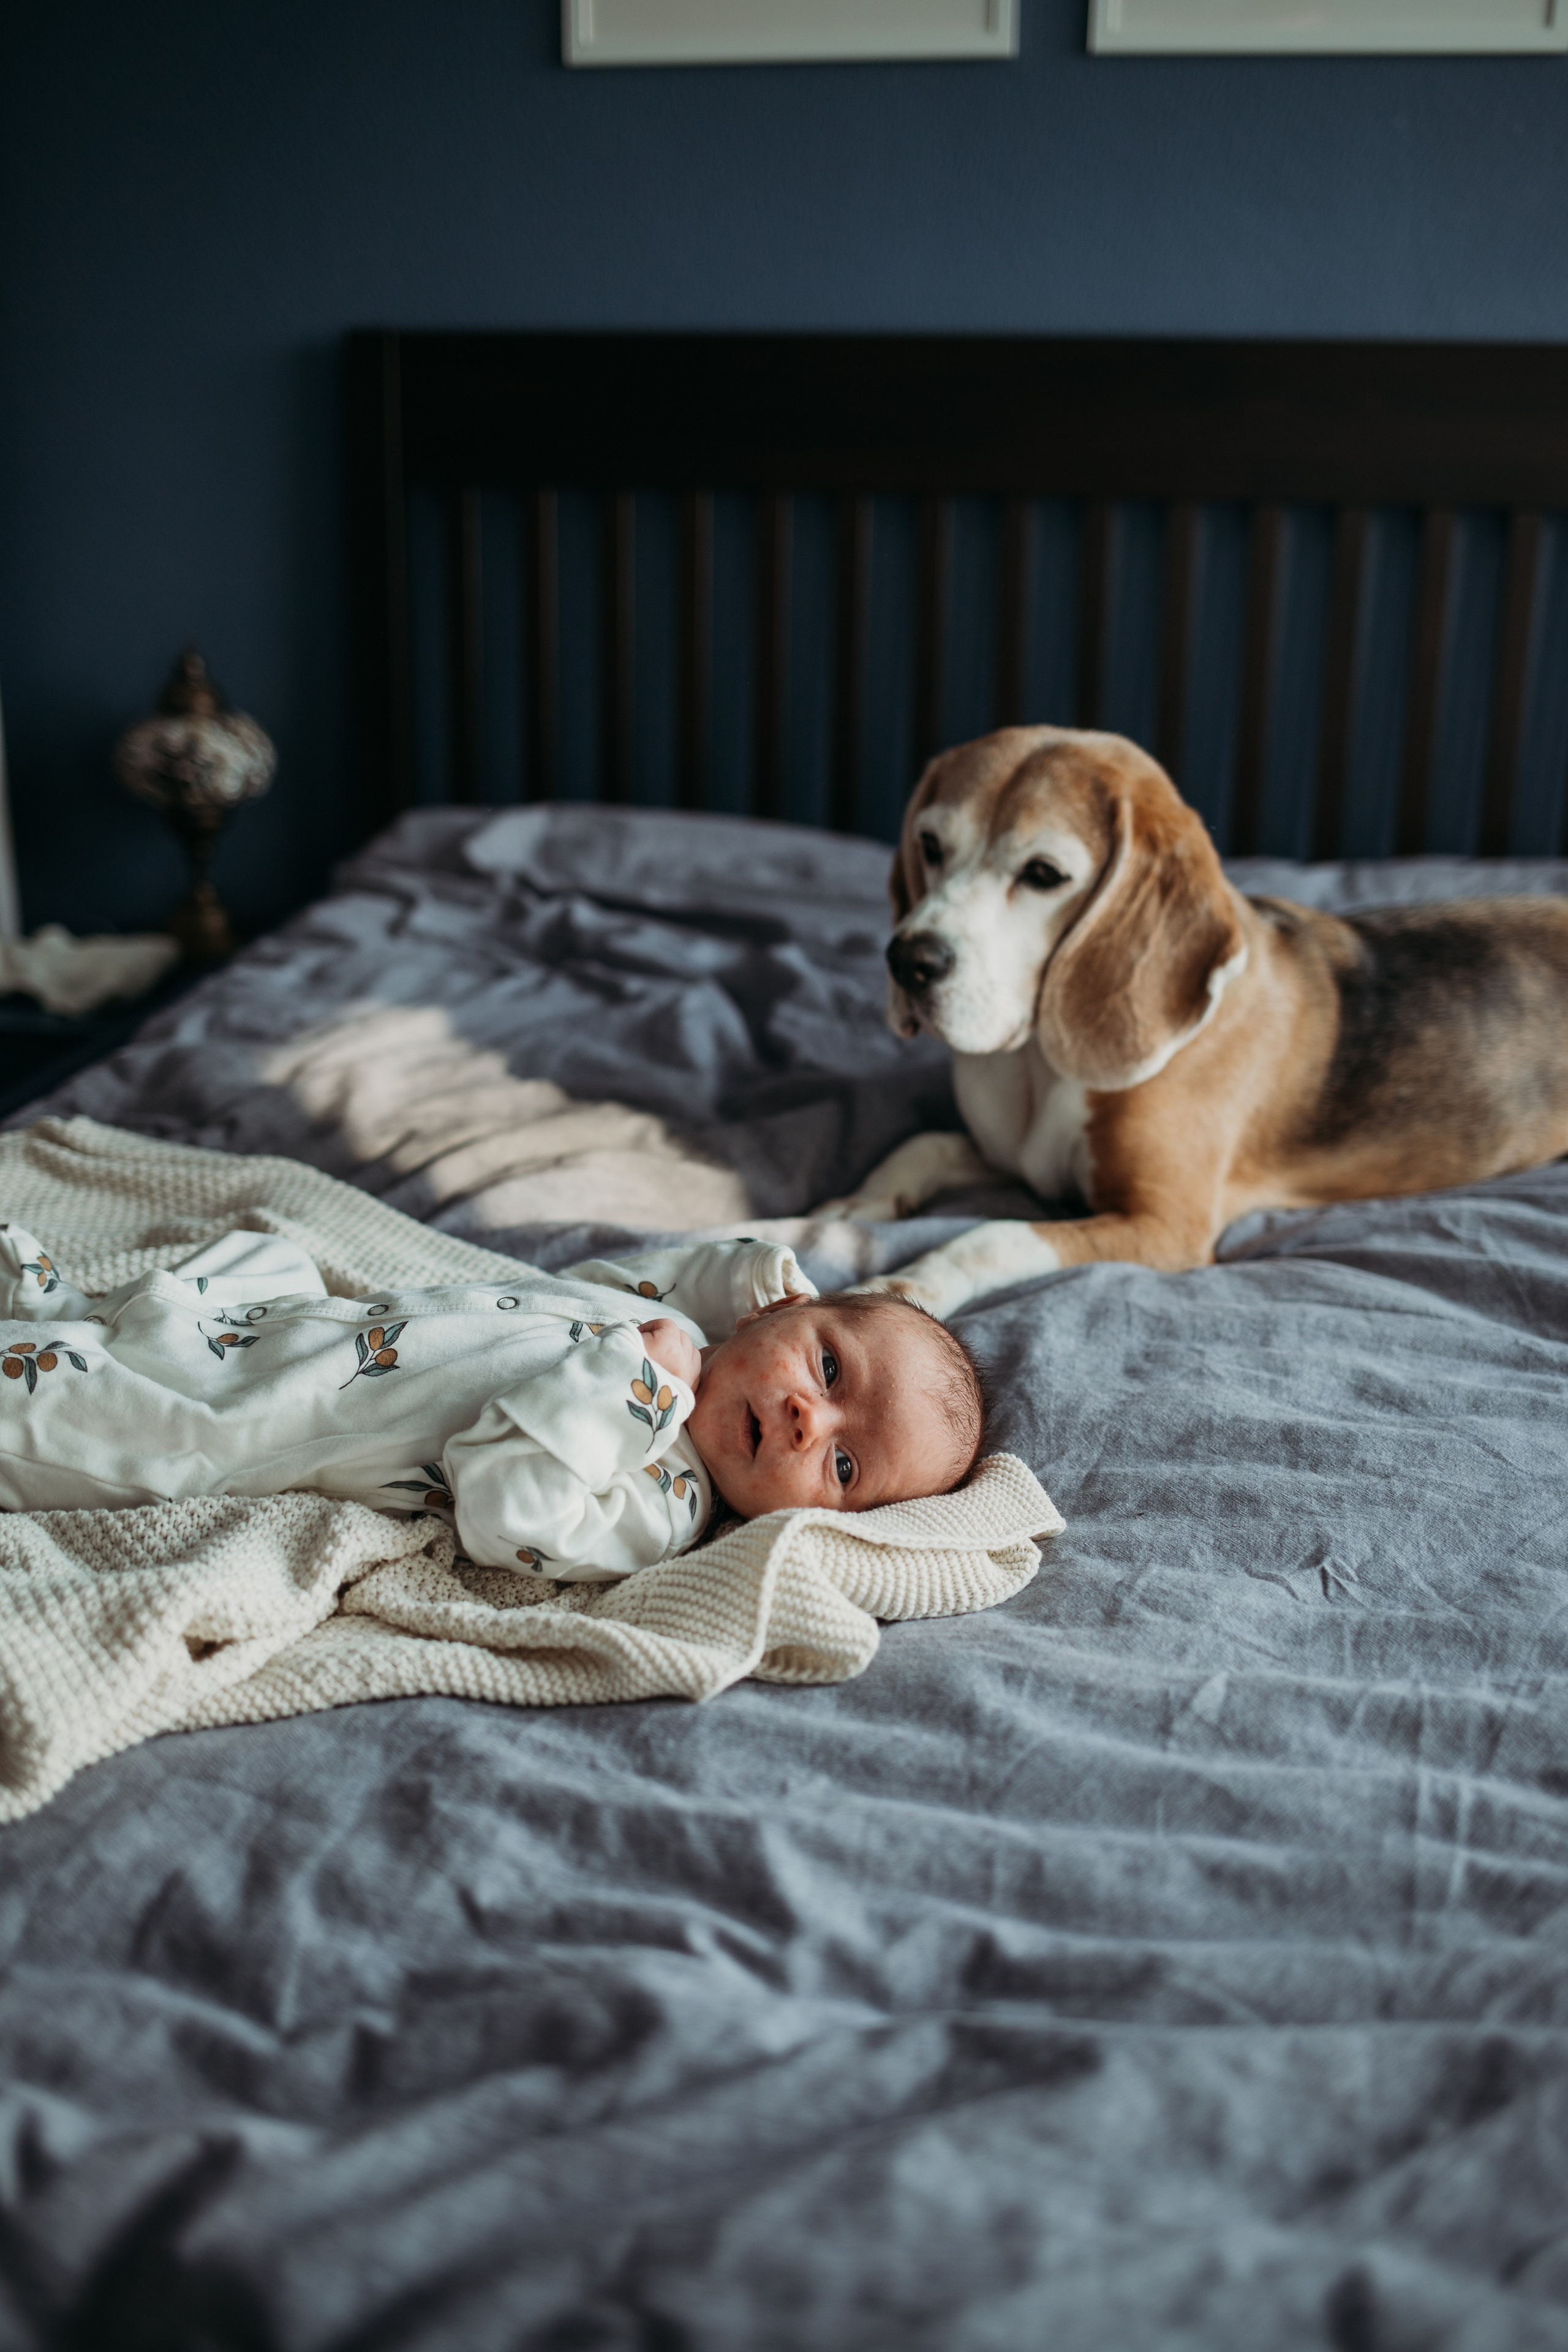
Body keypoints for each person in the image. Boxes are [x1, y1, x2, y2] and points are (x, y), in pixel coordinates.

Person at [0, 1223, 985, 1580]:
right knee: (259, 1266)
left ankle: (63, 1350)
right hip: (303, 1330)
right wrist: (728, 1290)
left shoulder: (663, 1502)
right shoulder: (668, 1325)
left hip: (252, 1431)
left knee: (82, 1407)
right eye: (829, 1367)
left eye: (845, 1468)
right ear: (792, 1308)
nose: (814, 1421)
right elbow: (604, 1275)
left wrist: (639, 1388)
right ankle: (87, 1313)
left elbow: (506, 1509)